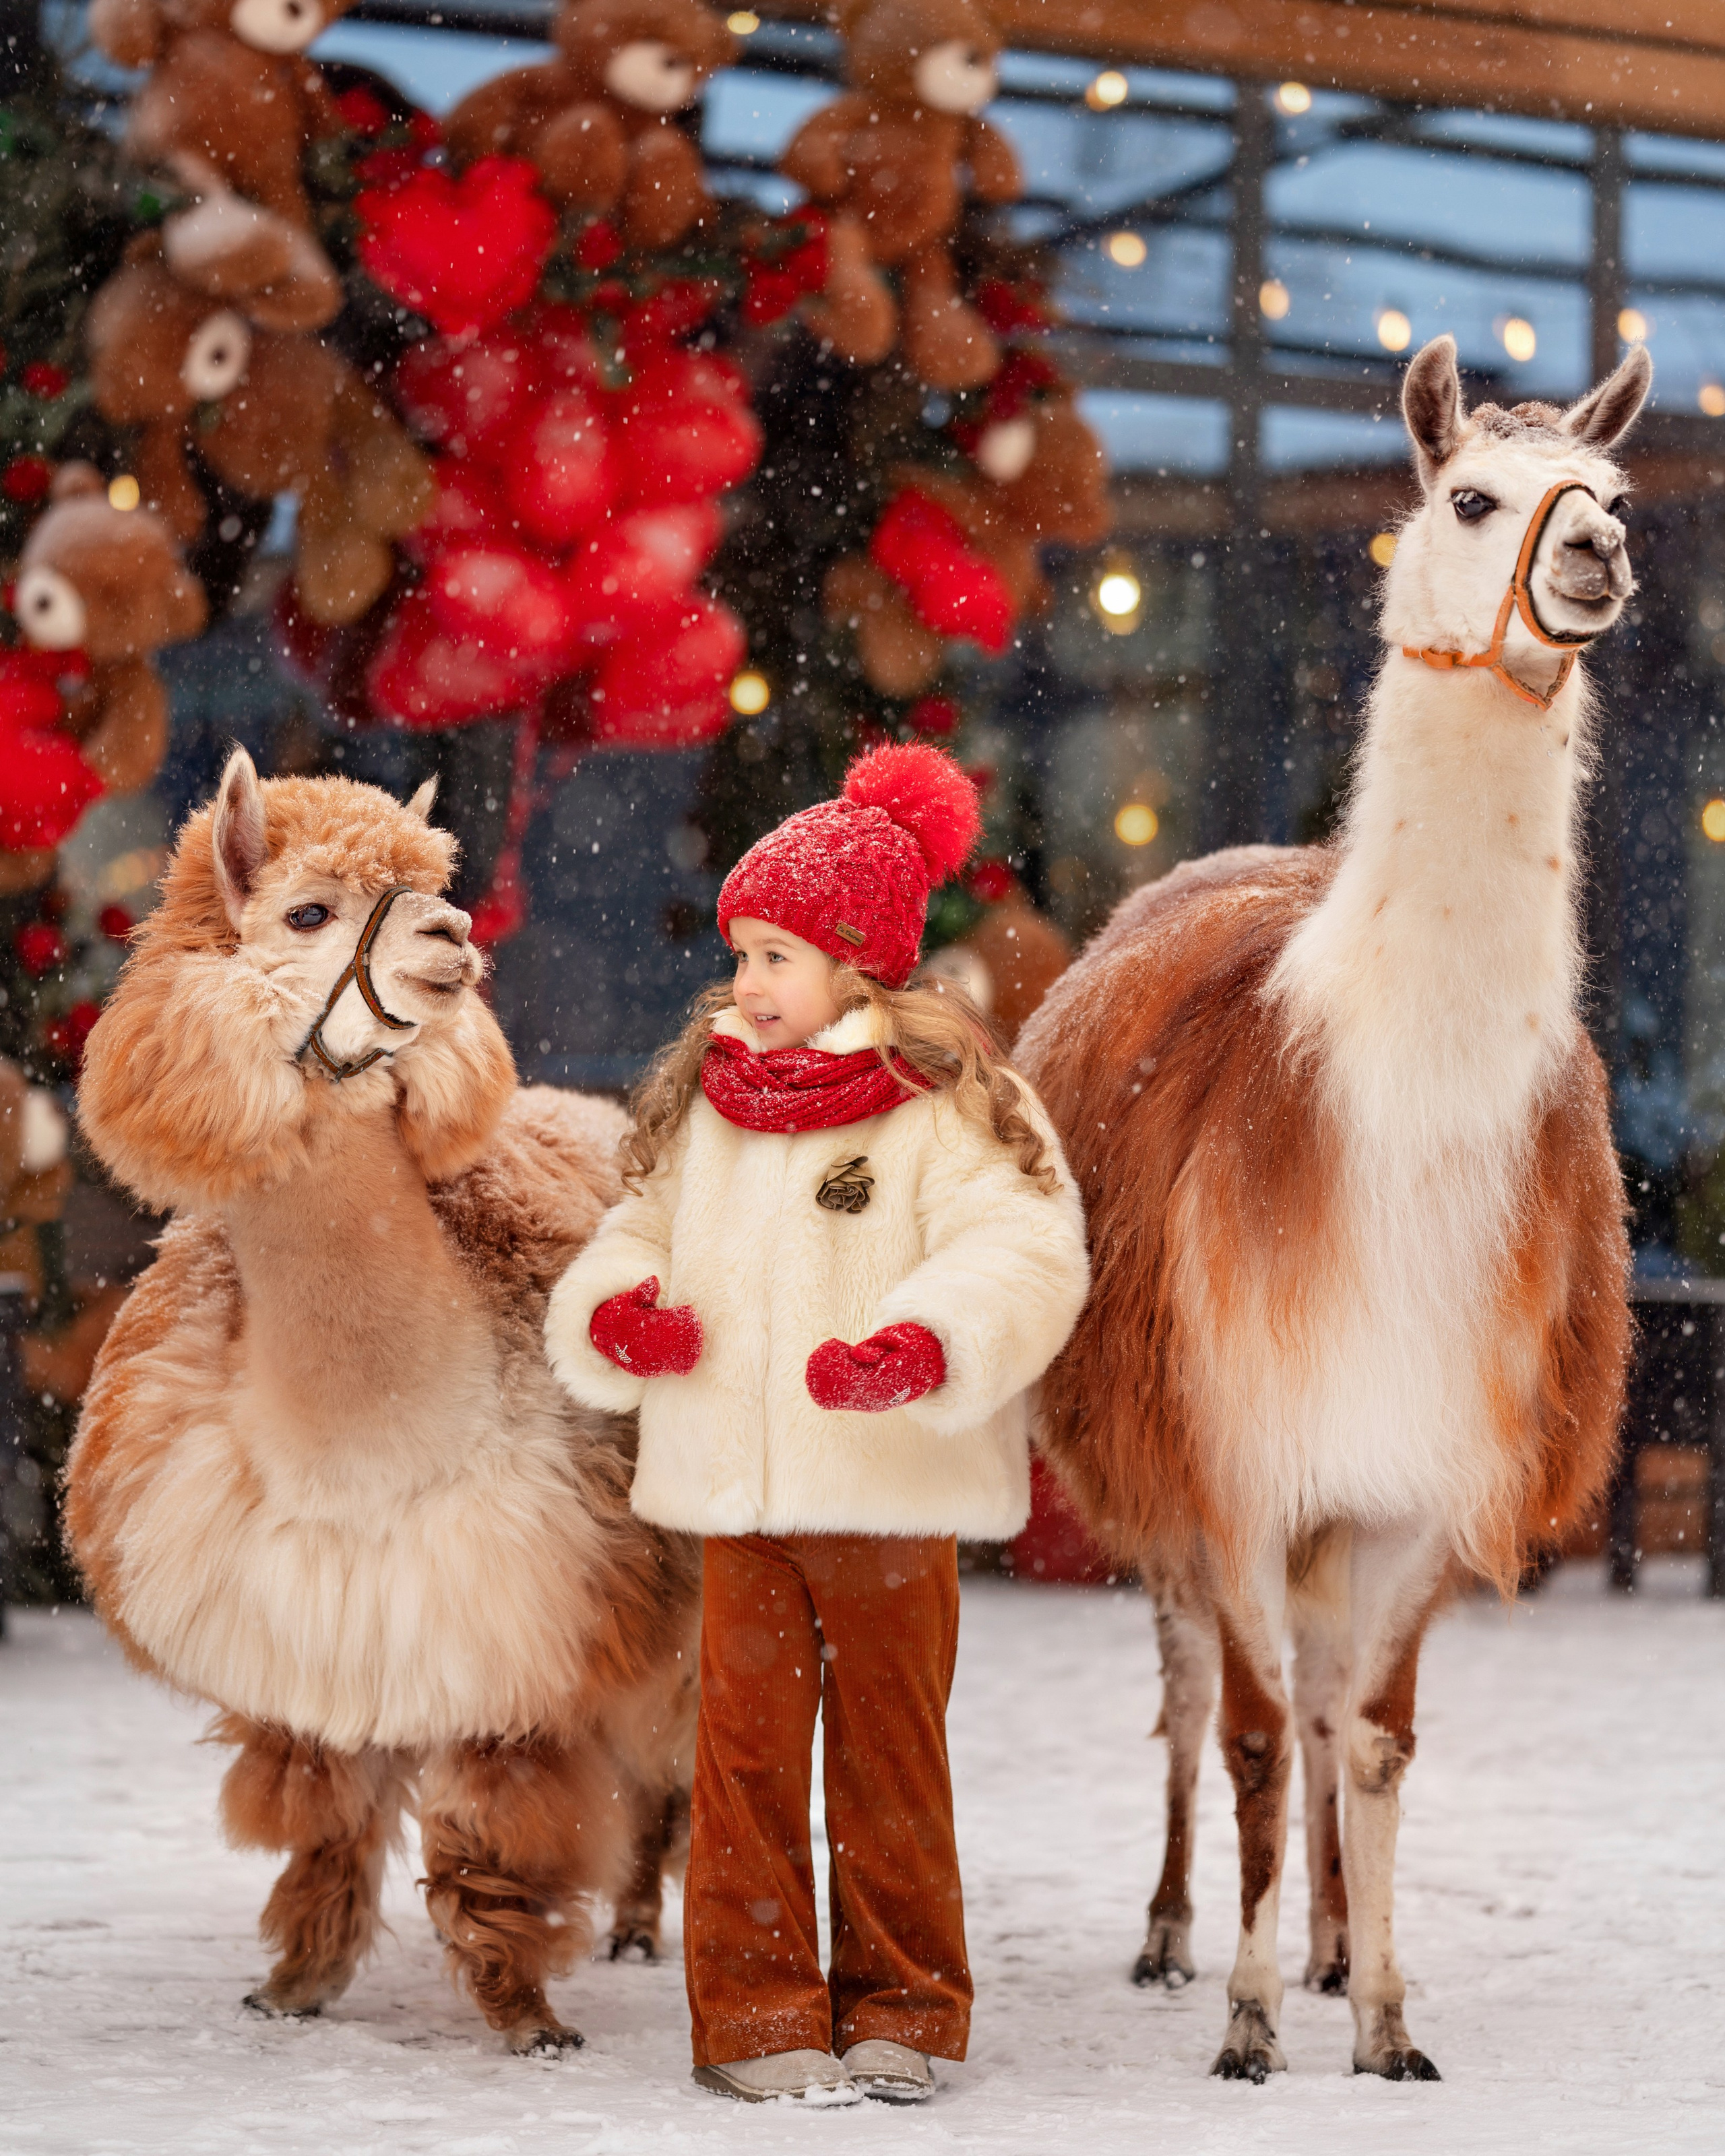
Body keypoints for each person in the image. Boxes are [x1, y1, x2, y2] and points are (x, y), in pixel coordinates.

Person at [544, 742, 1088, 2105]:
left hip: (889, 1494)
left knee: (887, 1755)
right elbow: (634, 1230)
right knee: (740, 1757)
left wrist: (922, 1346)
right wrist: (622, 1311)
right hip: (738, 1498)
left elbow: (1020, 1246)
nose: (746, 985)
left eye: (776, 955)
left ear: (858, 963)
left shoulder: (952, 1100)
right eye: (740, 954)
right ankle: (754, 2011)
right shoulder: (709, 1105)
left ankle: (904, 2002)